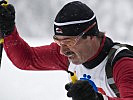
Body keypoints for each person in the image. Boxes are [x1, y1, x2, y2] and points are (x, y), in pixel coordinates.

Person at [0, 1, 133, 100]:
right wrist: (9, 31)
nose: (63, 51)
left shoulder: (123, 65)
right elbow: (26, 60)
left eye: (69, 42)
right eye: (58, 41)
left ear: (91, 35)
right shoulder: (69, 55)